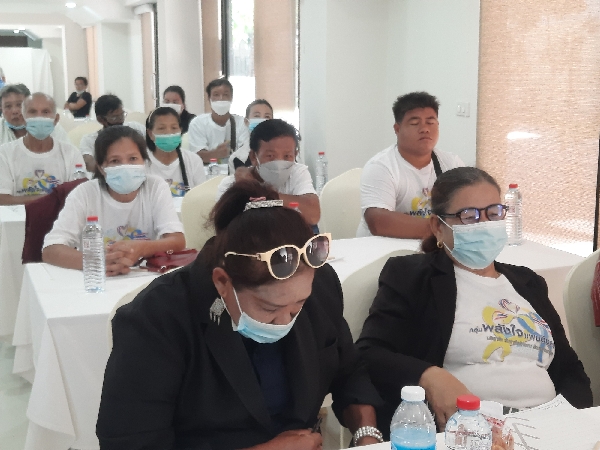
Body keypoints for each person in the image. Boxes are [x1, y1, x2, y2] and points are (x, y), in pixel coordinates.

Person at [96, 180, 384, 449]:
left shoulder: (320, 286)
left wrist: (367, 435)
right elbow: (131, 443)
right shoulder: (157, 320)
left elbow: (349, 373)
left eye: (298, 305)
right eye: (269, 309)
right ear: (223, 282)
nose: (286, 321)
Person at [356, 167, 593, 437]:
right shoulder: (412, 275)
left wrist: (571, 426)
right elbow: (370, 353)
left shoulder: (528, 282)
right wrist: (430, 376)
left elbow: (570, 370)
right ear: (438, 227)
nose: (484, 224)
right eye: (469, 216)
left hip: (547, 426)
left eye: (494, 213)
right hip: (470, 431)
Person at [42, 125, 185, 276]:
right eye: (115, 161)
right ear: (101, 167)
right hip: (98, 278)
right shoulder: (85, 193)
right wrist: (97, 262)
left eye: (133, 159)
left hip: (145, 277)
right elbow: (51, 249)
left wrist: (141, 248)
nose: (125, 166)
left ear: (144, 161)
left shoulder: (155, 187)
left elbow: (177, 240)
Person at [356, 91, 464, 239]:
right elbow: (379, 222)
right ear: (397, 129)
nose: (425, 129)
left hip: (434, 246)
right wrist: (444, 230)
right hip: (385, 248)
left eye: (430, 122)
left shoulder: (452, 163)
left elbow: (468, 209)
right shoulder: (380, 167)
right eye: (414, 123)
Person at [216, 119, 320, 226]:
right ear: (253, 157)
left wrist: (257, 189)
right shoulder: (231, 183)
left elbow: (313, 214)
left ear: (295, 154)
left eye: (287, 156)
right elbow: (225, 226)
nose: (279, 163)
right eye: (270, 156)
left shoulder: (297, 172)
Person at [0, 92, 84, 205]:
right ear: (23, 119)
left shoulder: (72, 153)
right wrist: (54, 197)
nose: (39, 117)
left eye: (45, 112)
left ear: (56, 119)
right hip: (18, 217)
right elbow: (2, 199)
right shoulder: (4, 154)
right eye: (33, 112)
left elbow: (79, 196)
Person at [145, 106, 206, 197]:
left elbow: (201, 197)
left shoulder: (193, 161)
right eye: (161, 128)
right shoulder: (143, 163)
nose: (168, 132)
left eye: (174, 128)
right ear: (150, 134)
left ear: (180, 131)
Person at [187, 78, 249, 165]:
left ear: (231, 98)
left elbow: (245, 155)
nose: (221, 98)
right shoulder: (198, 123)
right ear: (209, 98)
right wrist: (216, 154)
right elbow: (197, 157)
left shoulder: (241, 123)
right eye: (216, 95)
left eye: (225, 95)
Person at [80, 94, 146, 172]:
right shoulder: (89, 140)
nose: (120, 120)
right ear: (100, 119)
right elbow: (89, 164)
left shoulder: (135, 128)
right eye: (114, 117)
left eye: (122, 115)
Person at [0, 84, 70, 145]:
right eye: (8, 106)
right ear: (1, 109)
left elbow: (68, 152)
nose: (14, 111)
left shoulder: (49, 125)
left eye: (19, 105)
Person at [229, 99, 274, 173]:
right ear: (246, 122)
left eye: (267, 117)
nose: (262, 120)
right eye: (257, 116)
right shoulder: (236, 158)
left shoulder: (284, 151)